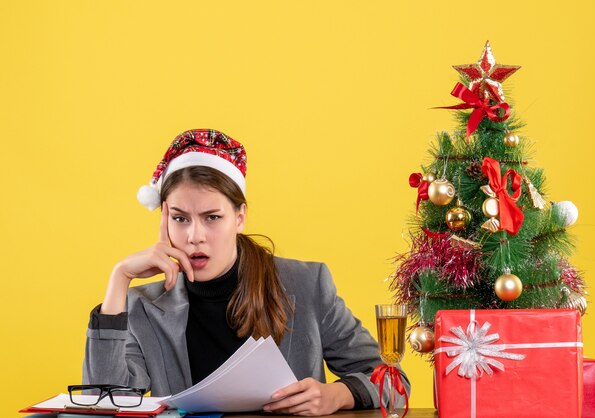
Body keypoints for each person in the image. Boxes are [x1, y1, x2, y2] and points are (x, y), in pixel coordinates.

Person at [83, 129, 410, 416]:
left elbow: (394, 383)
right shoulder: (143, 305)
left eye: (212, 217)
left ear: (239, 217)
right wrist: (119, 279)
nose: (195, 236)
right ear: (164, 219)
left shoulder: (308, 284)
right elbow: (103, 405)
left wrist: (338, 395)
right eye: (180, 218)